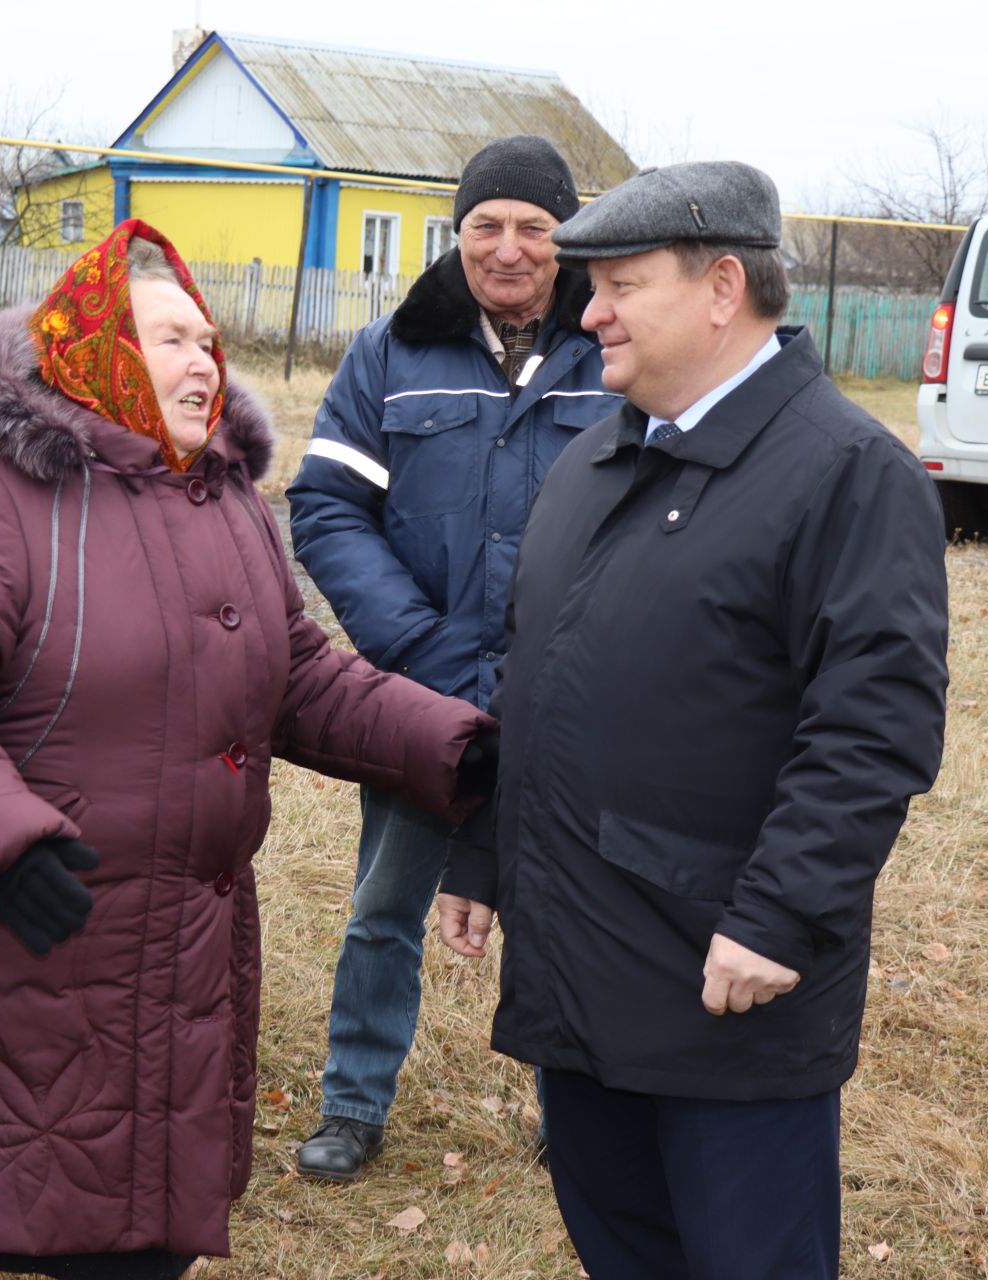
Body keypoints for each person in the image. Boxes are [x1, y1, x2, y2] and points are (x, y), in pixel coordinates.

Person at [0, 220, 499, 1279]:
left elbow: (299, 673)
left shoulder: (227, 497)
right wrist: (3, 839)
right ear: (92, 343)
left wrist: (456, 745)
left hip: (176, 969)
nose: (203, 360)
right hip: (16, 952)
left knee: (136, 1232)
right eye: (170, 338)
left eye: (208, 338)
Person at [436, 160, 950, 1280]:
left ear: (724, 288)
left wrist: (777, 917)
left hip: (726, 998)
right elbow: (536, 675)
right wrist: (481, 847)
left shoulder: (848, 474)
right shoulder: (598, 457)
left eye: (621, 283)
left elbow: (875, 727)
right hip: (583, 972)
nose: (591, 311)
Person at [283, 134, 618, 1180]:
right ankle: (352, 1099)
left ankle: (584, 1107)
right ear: (457, 232)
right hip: (425, 694)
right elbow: (328, 505)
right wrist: (422, 646)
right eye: (487, 225)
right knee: (387, 902)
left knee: (578, 908)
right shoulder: (392, 351)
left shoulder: (617, 348)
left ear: (568, 239)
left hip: (579, 695)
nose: (509, 248)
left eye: (534, 227)